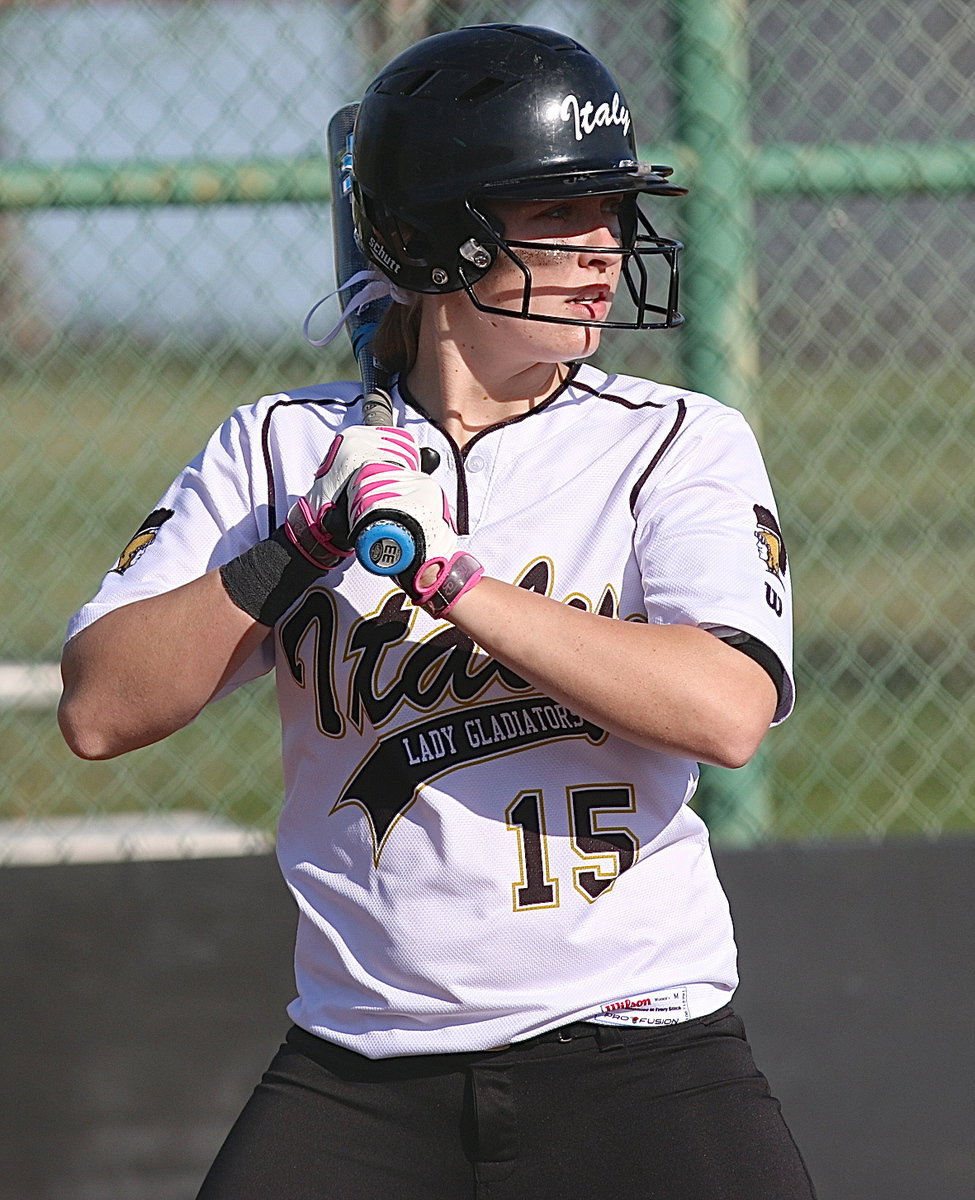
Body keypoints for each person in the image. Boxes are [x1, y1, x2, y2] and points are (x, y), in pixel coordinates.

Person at [58, 23, 816, 1200]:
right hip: (363, 1066)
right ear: (440, 237)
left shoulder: (674, 442)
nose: (604, 250)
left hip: (641, 1051)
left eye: (612, 212)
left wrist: (452, 582)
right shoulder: (281, 448)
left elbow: (726, 710)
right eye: (560, 216)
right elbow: (102, 709)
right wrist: (299, 544)